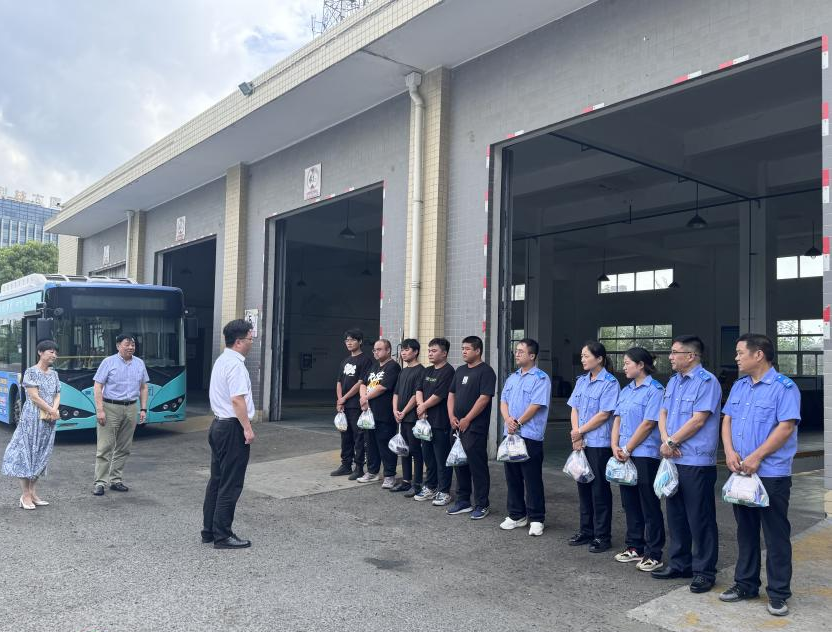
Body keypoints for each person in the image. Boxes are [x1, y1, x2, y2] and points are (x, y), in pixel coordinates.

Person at [719, 334, 801, 617]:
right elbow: (727, 419)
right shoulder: (739, 386)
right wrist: (729, 451)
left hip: (771, 473)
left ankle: (778, 593)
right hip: (741, 471)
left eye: (740, 352)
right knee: (746, 531)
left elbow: (786, 427)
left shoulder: (784, 387)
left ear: (759, 355)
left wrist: (756, 457)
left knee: (776, 534)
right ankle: (746, 584)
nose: (736, 358)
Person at [652, 335, 721, 594]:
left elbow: (699, 420)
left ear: (691, 356)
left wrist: (672, 441)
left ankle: (704, 571)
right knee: (676, 513)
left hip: (696, 460)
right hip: (672, 456)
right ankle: (680, 563)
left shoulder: (707, 382)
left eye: (674, 352)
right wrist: (665, 440)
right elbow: (663, 412)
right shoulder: (673, 381)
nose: (670, 357)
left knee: (699, 516)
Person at [202, 319, 256, 549]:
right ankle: (222, 535)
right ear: (239, 342)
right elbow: (237, 400)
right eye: (250, 339)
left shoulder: (221, 360)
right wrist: (247, 428)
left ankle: (209, 530)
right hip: (232, 428)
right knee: (231, 483)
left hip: (218, 425)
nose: (252, 343)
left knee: (217, 480)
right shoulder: (236, 365)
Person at [611, 347, 666, 572]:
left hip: (644, 455)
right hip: (624, 454)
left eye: (627, 363)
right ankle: (635, 546)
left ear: (641, 365)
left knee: (648, 504)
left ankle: (654, 552)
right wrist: (614, 446)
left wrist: (628, 448)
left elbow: (649, 423)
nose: (623, 367)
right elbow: (617, 419)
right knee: (630, 502)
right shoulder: (626, 391)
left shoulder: (655, 390)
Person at [567, 341, 619, 553]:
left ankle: (602, 536)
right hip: (581, 442)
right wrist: (576, 434)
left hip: (599, 444)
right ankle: (586, 530)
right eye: (582, 356)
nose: (582, 359)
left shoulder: (610, 383)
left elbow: (604, 414)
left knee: (599, 491)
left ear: (599, 359)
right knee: (583, 487)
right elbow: (574, 408)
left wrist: (580, 431)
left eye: (586, 356)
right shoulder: (581, 381)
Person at [498, 338, 551, 536]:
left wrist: (518, 422)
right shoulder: (512, 378)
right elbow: (503, 401)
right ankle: (516, 515)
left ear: (532, 355)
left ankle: (536, 518)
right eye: (516, 350)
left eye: (521, 351)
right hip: (511, 434)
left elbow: (536, 405)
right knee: (512, 477)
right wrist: (508, 420)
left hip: (530, 435)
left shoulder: (540, 378)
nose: (517, 353)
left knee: (532, 478)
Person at [2, 340, 61, 509]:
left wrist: (54, 410)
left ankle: (33, 493)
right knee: (26, 453)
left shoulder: (54, 374)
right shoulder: (31, 372)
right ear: (40, 353)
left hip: (49, 419)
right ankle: (25, 495)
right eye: (51, 352)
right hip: (32, 418)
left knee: (41, 453)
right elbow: (34, 397)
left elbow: (57, 394)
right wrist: (51, 410)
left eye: (55, 353)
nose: (54, 355)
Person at [446, 336, 497, 520]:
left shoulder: (486, 371)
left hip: (475, 428)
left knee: (477, 466)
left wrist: (468, 419)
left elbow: (484, 398)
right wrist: (451, 416)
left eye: (467, 349)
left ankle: (482, 504)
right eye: (462, 348)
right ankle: (463, 501)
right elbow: (451, 394)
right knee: (459, 464)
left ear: (478, 350)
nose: (464, 352)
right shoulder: (460, 370)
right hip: (456, 427)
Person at [92, 334, 149, 496]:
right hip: (110, 407)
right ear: (118, 346)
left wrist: (143, 409)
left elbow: (143, 387)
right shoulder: (108, 362)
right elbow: (98, 386)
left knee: (124, 447)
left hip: (131, 407)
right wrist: (100, 410)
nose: (131, 347)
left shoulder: (139, 363)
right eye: (127, 344)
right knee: (105, 447)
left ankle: (115, 480)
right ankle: (100, 482)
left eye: (133, 345)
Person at [414, 338, 455, 503]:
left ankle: (444, 491)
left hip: (440, 422)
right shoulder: (427, 370)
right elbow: (418, 390)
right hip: (425, 422)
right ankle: (430, 487)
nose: (430, 354)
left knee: (441, 459)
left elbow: (440, 395)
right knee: (428, 457)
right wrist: (420, 407)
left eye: (434, 351)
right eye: (429, 350)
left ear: (444, 353)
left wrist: (423, 406)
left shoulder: (449, 371)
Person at [358, 339, 401, 487]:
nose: (375, 352)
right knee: (370, 445)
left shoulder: (393, 367)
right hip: (370, 414)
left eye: (379, 349)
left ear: (388, 350)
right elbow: (363, 383)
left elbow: (383, 387)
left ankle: (389, 475)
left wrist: (366, 398)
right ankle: (372, 472)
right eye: (374, 350)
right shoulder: (374, 366)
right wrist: (363, 398)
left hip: (385, 414)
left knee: (385, 445)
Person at [332, 329, 373, 480]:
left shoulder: (365, 360)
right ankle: (345, 465)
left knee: (359, 437)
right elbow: (339, 382)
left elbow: (361, 382)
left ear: (360, 341)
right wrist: (340, 400)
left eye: (352, 340)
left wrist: (344, 398)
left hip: (356, 405)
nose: (349, 343)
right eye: (347, 340)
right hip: (344, 405)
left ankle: (359, 467)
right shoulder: (345, 361)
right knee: (345, 436)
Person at [392, 339, 425, 494]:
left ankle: (417, 483)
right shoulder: (403, 371)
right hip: (401, 417)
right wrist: (395, 410)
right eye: (402, 350)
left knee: (415, 450)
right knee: (403, 450)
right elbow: (396, 393)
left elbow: (415, 395)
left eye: (407, 350)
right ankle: (406, 481)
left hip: (412, 418)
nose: (403, 353)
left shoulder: (421, 370)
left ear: (416, 352)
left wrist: (404, 411)